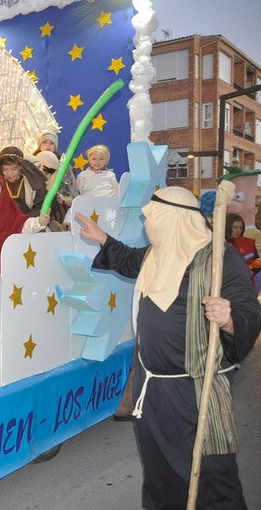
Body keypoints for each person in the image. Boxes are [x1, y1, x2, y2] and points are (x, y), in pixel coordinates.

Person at [75, 187, 261, 509]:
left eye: (154, 217)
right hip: (152, 389)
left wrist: (230, 319)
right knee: (160, 474)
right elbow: (129, 260)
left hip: (196, 391)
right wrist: (103, 238)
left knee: (211, 477)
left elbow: (249, 311)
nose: (148, 224)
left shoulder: (220, 258)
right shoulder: (156, 254)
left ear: (173, 219)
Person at [0, 148, 47, 217]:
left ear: (20, 166)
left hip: (28, 222)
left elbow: (40, 206)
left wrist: (22, 220)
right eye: (5, 170)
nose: (10, 174)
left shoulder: (33, 184)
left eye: (14, 169)